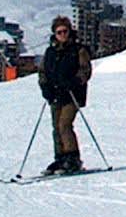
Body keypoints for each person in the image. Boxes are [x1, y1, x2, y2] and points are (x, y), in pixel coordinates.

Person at [39, 15, 92, 175]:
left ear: (69, 32)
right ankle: (60, 157)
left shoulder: (78, 50)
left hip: (72, 94)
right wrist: (45, 87)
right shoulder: (50, 52)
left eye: (65, 31)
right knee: (56, 126)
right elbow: (43, 72)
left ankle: (72, 158)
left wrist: (74, 82)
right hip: (55, 93)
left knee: (64, 124)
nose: (62, 35)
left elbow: (85, 70)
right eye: (59, 32)